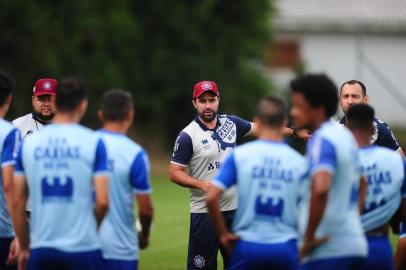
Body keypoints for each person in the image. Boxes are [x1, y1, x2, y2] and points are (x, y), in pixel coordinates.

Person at [12, 77, 109, 270]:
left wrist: (23, 245)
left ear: (59, 101)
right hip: (73, 236)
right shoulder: (92, 140)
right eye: (42, 98)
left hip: (41, 240)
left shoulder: (30, 145)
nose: (46, 103)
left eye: (51, 98)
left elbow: (15, 197)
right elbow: (103, 201)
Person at [206, 96, 305, 270]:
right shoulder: (299, 162)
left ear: (257, 121)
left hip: (247, 247)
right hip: (286, 247)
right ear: (283, 121)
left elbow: (211, 197)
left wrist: (223, 235)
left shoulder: (240, 156)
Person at [169, 80, 256, 270]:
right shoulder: (187, 136)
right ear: (194, 103)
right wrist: (201, 184)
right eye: (203, 101)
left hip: (235, 210)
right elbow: (174, 173)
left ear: (218, 100)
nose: (208, 105)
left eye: (211, 100)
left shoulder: (231, 123)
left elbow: (263, 129)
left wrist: (294, 132)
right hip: (204, 213)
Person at [290, 74, 367, 270]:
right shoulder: (345, 136)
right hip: (353, 241)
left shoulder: (322, 139)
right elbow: (363, 182)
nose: (293, 111)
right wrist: (350, 220)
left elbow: (321, 189)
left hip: (327, 250)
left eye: (298, 105)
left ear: (317, 108)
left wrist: (308, 239)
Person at [97, 89, 154, 270]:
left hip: (85, 245)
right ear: (130, 114)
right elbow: (145, 210)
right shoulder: (135, 153)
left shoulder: (84, 144)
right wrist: (144, 236)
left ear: (101, 115)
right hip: (120, 248)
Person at [346, 104, 406, 270]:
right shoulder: (395, 161)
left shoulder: (338, 161)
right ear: (373, 130)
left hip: (344, 246)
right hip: (379, 245)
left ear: (348, 128)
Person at [338, 79, 404, 156]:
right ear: (340, 100)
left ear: (365, 99)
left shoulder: (381, 130)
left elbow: (401, 163)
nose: (350, 101)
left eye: (354, 96)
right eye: (346, 96)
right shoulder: (334, 129)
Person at [0, 71, 21, 270]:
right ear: (9, 98)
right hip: (2, 230)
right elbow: (8, 185)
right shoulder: (9, 132)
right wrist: (18, 232)